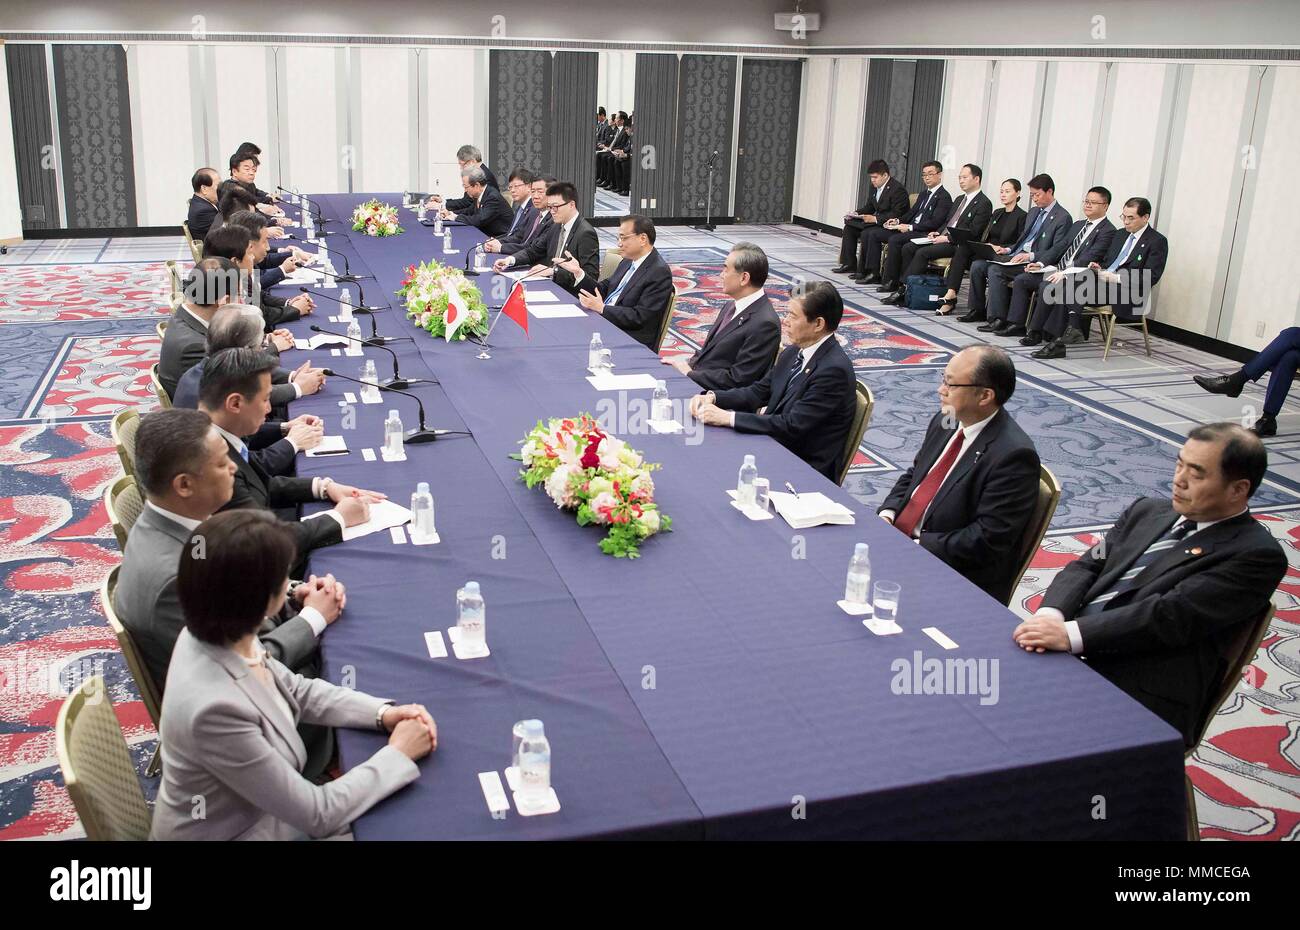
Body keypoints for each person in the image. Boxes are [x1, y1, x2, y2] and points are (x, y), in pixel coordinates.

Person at [150, 509, 435, 840]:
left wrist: (382, 713)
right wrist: (398, 754)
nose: (291, 585)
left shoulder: (219, 628)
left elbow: (296, 689)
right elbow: (317, 813)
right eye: (285, 578)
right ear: (264, 601)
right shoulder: (214, 710)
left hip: (263, 813)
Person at [1013, 423, 1286, 748]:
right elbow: (1089, 564)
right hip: (1067, 648)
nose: (1179, 480)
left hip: (1137, 686)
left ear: (1238, 489)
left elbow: (1168, 616)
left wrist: (1071, 635)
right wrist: (1052, 614)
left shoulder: (1255, 555)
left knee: (1018, 732)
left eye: (1196, 474)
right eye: (1179, 464)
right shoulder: (1149, 511)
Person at [114, 408, 338, 693]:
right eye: (222, 463)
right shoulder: (174, 580)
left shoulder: (179, 520)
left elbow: (235, 580)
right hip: (256, 710)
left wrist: (292, 593)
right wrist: (313, 618)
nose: (234, 468)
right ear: (184, 484)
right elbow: (246, 670)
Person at [878, 345, 1041, 604]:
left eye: (951, 385)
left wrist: (915, 547)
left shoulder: (1013, 456)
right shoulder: (947, 420)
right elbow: (915, 475)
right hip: (901, 545)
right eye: (943, 379)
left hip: (950, 576)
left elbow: (986, 539)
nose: (940, 390)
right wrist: (887, 515)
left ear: (985, 395)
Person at [199, 348, 380, 564]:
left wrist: (323, 487)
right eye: (266, 399)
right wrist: (338, 518)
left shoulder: (216, 432)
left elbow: (257, 483)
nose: (269, 410)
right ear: (235, 403)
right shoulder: (214, 463)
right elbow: (266, 540)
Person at [691, 281, 857, 482]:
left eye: (793, 316)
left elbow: (792, 425)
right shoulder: (794, 351)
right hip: (773, 445)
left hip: (802, 468)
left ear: (818, 324)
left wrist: (728, 418)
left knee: (710, 468)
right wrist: (714, 397)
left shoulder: (833, 370)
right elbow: (758, 392)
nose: (785, 321)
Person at [175, 306, 325, 473]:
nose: (263, 350)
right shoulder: (210, 392)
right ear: (246, 352)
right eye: (261, 346)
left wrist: (284, 427)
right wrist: (293, 442)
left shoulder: (206, 370)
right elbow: (247, 470)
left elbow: (242, 436)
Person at [1033, 196, 1170, 360]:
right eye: (1123, 217)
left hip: (1127, 291)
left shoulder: (1157, 241)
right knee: (1069, 283)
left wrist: (1116, 278)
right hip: (1099, 284)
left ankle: (1066, 333)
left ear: (1145, 217)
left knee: (1073, 285)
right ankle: (1066, 334)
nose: (1126, 222)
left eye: (1131, 218)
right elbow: (1107, 262)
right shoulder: (1120, 235)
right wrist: (1099, 267)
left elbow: (1150, 277)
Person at [989, 186, 1116, 340]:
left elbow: (1089, 257)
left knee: (1046, 286)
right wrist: (1041, 263)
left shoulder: (1108, 231)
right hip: (1056, 269)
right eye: (1086, 201)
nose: (1088, 205)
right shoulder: (1078, 225)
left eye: (1093, 202)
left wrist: (1062, 272)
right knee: (1022, 279)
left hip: (1075, 275)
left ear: (1105, 206)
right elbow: (1059, 247)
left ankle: (1036, 332)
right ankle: (1017, 324)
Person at [664, 241, 781, 391]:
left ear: (744, 278)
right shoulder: (730, 306)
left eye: (726, 269)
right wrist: (686, 367)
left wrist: (689, 374)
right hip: (700, 382)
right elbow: (708, 353)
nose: (721, 275)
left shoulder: (764, 324)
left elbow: (739, 380)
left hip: (718, 399)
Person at [961, 174, 1071, 325]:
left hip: (1034, 262)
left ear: (1050, 192)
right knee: (978, 265)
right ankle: (977, 310)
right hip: (1016, 255)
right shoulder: (1033, 212)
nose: (1034, 198)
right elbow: (1022, 241)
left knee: (995, 270)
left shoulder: (1062, 217)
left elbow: (1057, 250)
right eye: (1032, 195)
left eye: (1037, 195)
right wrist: (1006, 249)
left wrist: (1030, 256)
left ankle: (998, 318)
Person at [878, 163, 993, 306]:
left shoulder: (984, 203)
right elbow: (947, 222)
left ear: (976, 179)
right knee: (909, 247)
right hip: (942, 237)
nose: (961, 180)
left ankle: (904, 290)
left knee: (922, 252)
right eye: (959, 177)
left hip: (957, 244)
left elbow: (974, 232)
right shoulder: (959, 199)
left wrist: (946, 237)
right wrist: (937, 232)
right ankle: (908, 287)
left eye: (964, 177)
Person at [573, 215, 675, 349]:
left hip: (628, 338)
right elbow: (604, 289)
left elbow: (640, 317)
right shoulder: (628, 260)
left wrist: (602, 308)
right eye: (618, 238)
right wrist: (579, 273)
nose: (619, 243)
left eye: (624, 238)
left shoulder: (659, 272)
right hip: (606, 322)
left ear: (642, 239)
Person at [493, 182, 599, 296]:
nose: (552, 211)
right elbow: (533, 251)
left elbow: (590, 278)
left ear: (571, 205)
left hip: (571, 295)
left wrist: (554, 272)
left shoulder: (585, 233)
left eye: (556, 207)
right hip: (550, 286)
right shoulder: (556, 225)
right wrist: (509, 260)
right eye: (550, 207)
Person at [859, 161, 952, 288]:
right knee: (874, 233)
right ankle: (873, 272)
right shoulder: (924, 194)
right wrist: (898, 221)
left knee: (895, 240)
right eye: (924, 175)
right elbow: (911, 213)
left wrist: (909, 227)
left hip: (924, 233)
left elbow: (935, 222)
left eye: (930, 174)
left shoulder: (944, 197)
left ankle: (891, 281)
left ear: (939, 175)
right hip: (911, 229)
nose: (927, 177)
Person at [943, 179, 1026, 316]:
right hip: (988, 251)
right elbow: (986, 235)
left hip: (1003, 254)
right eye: (1001, 191)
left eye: (1007, 191)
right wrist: (985, 245)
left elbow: (1019, 243)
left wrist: (1000, 247)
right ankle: (957, 296)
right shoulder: (998, 213)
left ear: (1017, 193)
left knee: (976, 265)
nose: (1003, 194)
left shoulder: (1022, 216)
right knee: (963, 248)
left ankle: (956, 297)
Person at [159, 257, 237, 397]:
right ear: (223, 301)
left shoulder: (186, 316)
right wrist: (291, 388)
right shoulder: (195, 347)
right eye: (238, 296)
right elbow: (240, 390)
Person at [832, 159, 910, 278]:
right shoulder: (874, 186)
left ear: (885, 175)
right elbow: (869, 206)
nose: (872, 180)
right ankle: (849, 263)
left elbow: (897, 214)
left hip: (890, 225)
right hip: (876, 221)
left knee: (868, 233)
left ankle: (869, 271)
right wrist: (856, 213)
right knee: (849, 227)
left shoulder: (897, 190)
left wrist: (875, 219)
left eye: (875, 177)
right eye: (871, 177)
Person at [485, 175, 552, 256]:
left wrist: (501, 248)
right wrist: (497, 242)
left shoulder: (554, 219)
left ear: (552, 194)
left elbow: (532, 247)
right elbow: (518, 236)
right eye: (533, 191)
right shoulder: (533, 211)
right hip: (519, 256)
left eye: (540, 192)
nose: (535, 196)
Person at [441, 166, 513, 236]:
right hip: (485, 232)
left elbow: (480, 220)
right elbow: (470, 211)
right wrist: (451, 213)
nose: (465, 190)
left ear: (477, 185)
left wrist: (456, 217)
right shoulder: (479, 194)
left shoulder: (492, 197)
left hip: (499, 238)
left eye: (466, 187)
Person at [426, 145, 498, 211]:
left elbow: (468, 203)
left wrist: (442, 206)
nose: (461, 168)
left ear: (472, 162)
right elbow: (467, 200)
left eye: (462, 165)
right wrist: (444, 201)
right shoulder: (480, 171)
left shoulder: (484, 175)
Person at [186, 168, 221, 241]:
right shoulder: (204, 211)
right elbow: (227, 230)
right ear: (204, 189)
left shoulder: (199, 201)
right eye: (218, 185)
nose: (221, 189)